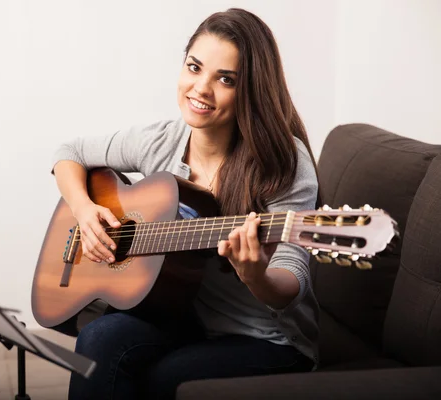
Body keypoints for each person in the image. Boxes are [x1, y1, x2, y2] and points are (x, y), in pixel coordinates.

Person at [51, 8, 320, 400]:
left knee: (167, 378)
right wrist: (84, 210)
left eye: (224, 79)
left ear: (251, 89)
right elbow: (69, 152)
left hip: (265, 338)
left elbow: (291, 279)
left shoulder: (282, 161)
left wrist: (256, 275)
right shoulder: (161, 140)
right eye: (194, 68)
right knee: (99, 336)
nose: (201, 89)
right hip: (181, 314)